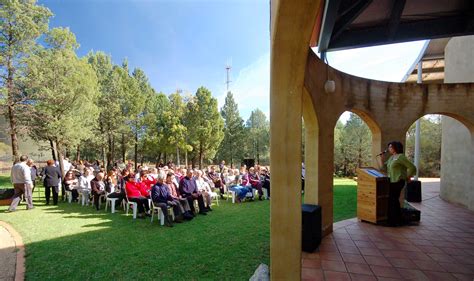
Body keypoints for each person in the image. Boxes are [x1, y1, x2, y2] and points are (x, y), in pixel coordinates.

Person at [380, 141, 416, 226]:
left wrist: (408, 176)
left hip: (398, 181)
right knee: (393, 201)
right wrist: (382, 159)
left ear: (396, 148)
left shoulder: (401, 157)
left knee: (393, 200)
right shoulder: (392, 158)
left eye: (390, 147)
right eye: (389, 147)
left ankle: (394, 221)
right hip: (391, 181)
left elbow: (412, 167)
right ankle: (395, 220)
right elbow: (383, 168)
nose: (389, 149)